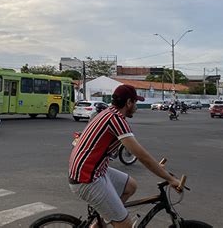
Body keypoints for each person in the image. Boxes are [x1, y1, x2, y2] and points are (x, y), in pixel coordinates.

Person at [68, 84, 180, 228]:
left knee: (130, 186)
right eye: (135, 102)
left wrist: (158, 168)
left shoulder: (108, 112)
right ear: (128, 102)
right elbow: (141, 155)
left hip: (91, 170)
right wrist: (169, 178)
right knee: (125, 224)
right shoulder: (116, 120)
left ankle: (102, 220)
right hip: (86, 178)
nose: (136, 107)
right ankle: (115, 218)